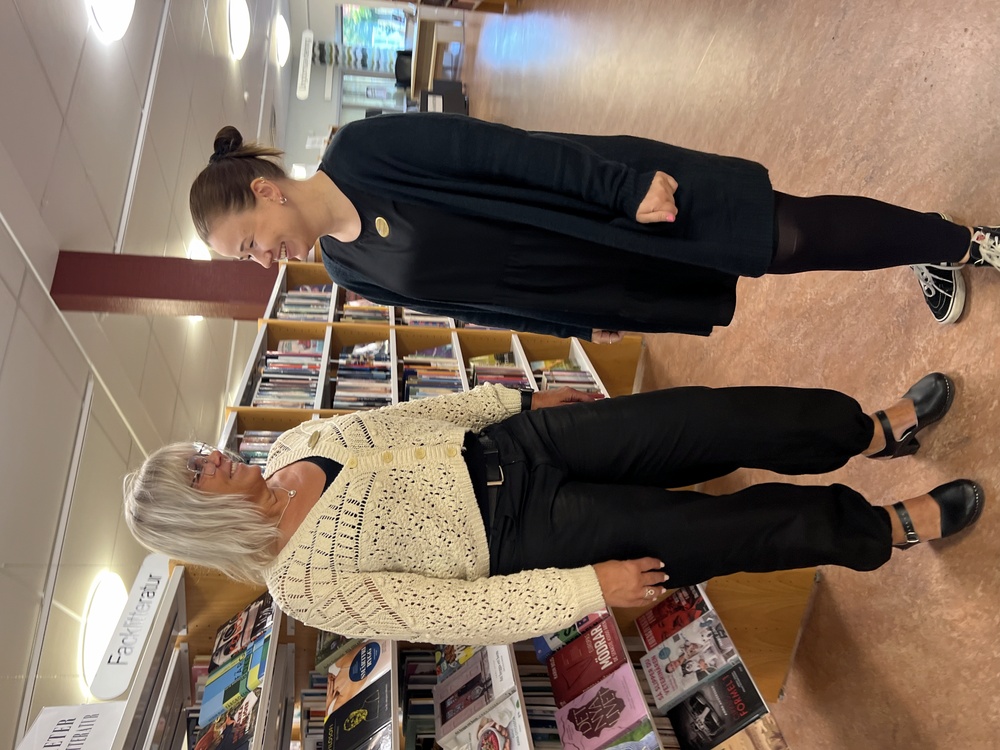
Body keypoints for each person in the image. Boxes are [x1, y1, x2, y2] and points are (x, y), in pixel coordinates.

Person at [123, 373, 983, 646]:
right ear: (196, 519)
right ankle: (890, 528)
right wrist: (584, 590)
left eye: (197, 452)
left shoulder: (290, 445)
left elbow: (412, 419)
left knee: (711, 421)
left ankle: (873, 430)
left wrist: (520, 398)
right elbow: (448, 612)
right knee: (719, 532)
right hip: (530, 538)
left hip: (521, 448)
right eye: (199, 474)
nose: (216, 456)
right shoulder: (300, 586)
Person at [189, 116, 1000, 338]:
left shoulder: (367, 150)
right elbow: (469, 309)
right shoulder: (343, 269)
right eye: (247, 261)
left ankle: (955, 242)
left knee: (784, 235)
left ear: (266, 190)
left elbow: (507, 155)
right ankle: (931, 248)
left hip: (601, 208)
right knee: (767, 262)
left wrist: (620, 186)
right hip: (602, 280)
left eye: (248, 243)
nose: (262, 261)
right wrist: (575, 319)